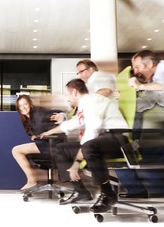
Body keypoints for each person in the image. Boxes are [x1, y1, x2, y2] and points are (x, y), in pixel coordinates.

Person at [41, 79, 129, 212]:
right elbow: (74, 123)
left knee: (88, 146)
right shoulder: (84, 105)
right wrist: (49, 132)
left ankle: (108, 193)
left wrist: (76, 163)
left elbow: (92, 131)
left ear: (75, 92)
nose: (67, 99)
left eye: (67, 95)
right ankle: (80, 191)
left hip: (117, 139)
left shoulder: (94, 101)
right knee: (60, 148)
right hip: (100, 140)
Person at [12, 95, 65, 191]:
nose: (23, 107)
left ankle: (32, 181)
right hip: (46, 143)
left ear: (30, 104)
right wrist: (36, 135)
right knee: (21, 152)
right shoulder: (27, 119)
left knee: (16, 150)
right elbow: (37, 130)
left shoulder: (38, 112)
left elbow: (59, 112)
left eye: (25, 104)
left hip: (53, 145)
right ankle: (37, 179)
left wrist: (61, 116)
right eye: (20, 106)